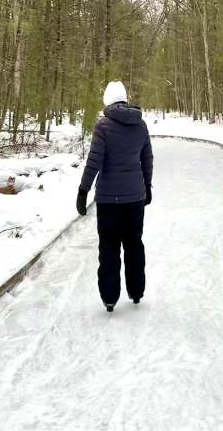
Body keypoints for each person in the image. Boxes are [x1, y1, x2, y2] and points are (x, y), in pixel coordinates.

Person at [77, 81, 154, 313]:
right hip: (134, 199)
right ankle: (136, 291)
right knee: (133, 243)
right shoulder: (140, 125)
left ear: (107, 101)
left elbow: (94, 162)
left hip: (109, 200)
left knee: (109, 247)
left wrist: (83, 190)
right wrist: (147, 186)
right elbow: (147, 159)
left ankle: (110, 298)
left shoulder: (103, 127)